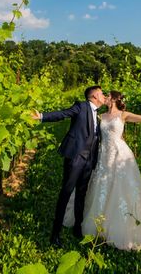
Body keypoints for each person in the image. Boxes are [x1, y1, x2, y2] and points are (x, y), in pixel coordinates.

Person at [63, 90, 141, 251]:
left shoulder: (123, 115)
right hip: (104, 154)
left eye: (107, 95)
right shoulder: (101, 116)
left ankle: (119, 224)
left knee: (120, 186)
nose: (104, 97)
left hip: (120, 154)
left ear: (113, 99)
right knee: (100, 184)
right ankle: (97, 221)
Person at [31, 85, 108, 247]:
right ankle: (55, 233)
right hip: (76, 157)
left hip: (89, 160)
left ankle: (77, 228)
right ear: (94, 96)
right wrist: (42, 116)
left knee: (82, 194)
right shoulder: (81, 106)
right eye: (101, 93)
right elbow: (63, 114)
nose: (104, 96)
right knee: (66, 192)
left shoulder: (98, 114)